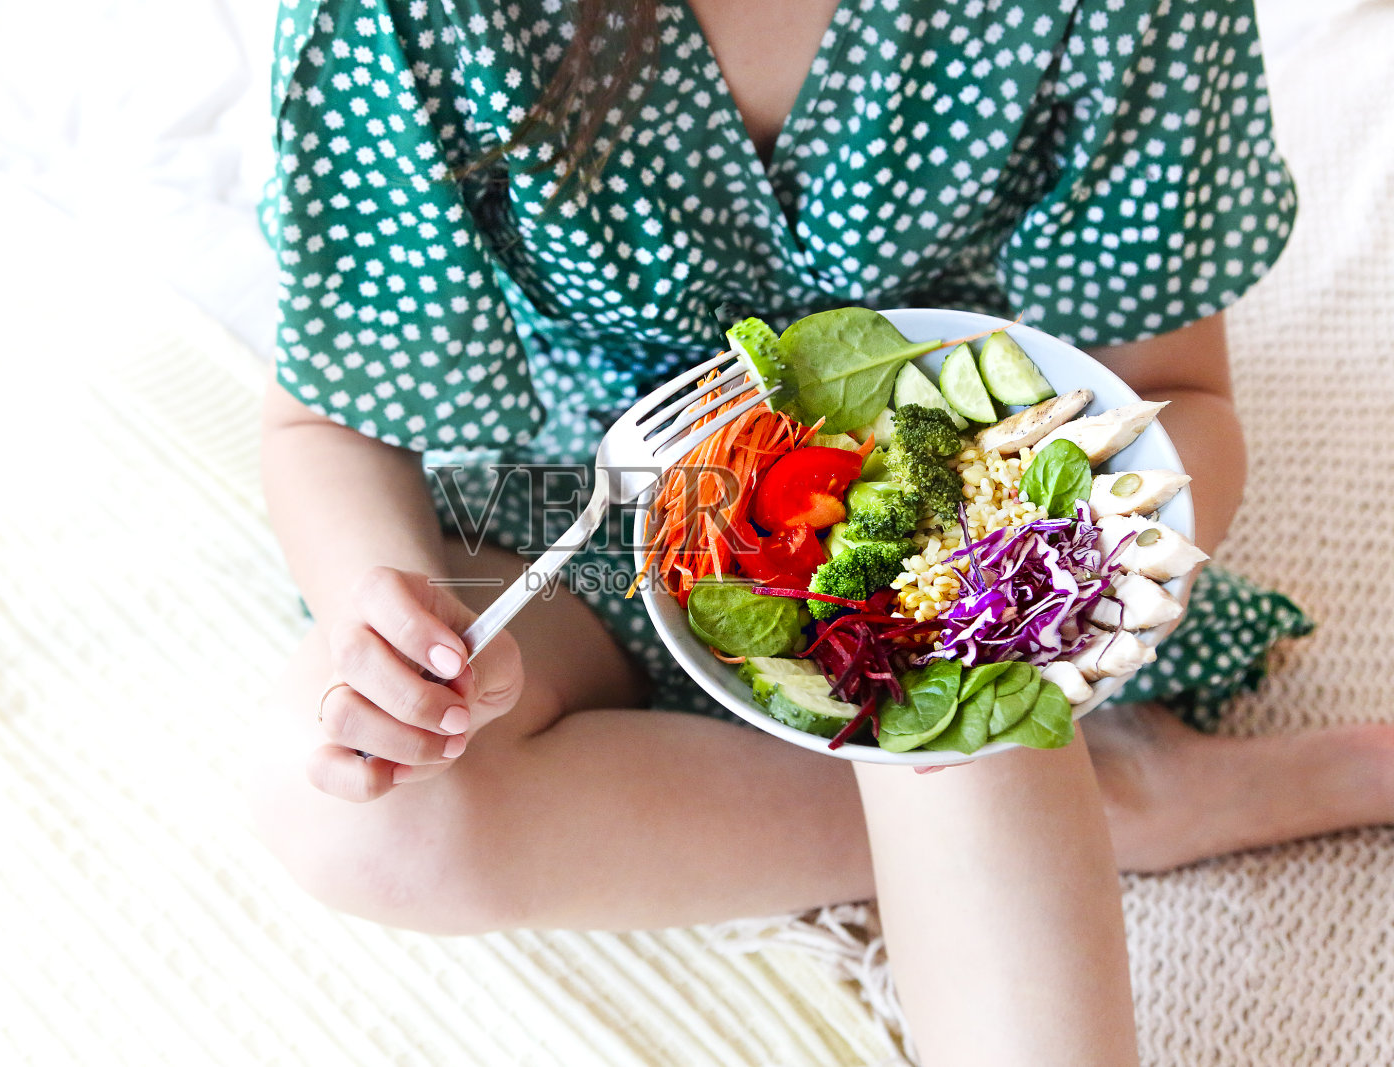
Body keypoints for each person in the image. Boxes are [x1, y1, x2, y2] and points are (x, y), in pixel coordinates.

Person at [246, 0, 1393, 1059]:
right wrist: (384, 611)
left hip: (941, 517)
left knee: (959, 762)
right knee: (357, 817)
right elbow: (326, 421)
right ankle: (1124, 798)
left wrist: (1049, 586)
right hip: (563, 505)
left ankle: (1049, 776)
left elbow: (1172, 392)